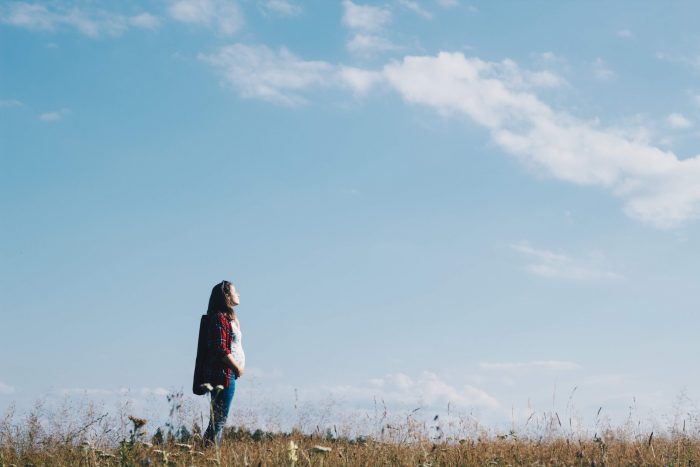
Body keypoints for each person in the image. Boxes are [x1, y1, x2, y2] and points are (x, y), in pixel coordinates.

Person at [201, 280, 245, 446]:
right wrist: (237, 368)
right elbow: (219, 348)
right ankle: (208, 454)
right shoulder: (219, 318)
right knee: (218, 421)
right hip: (223, 375)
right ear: (226, 295)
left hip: (228, 374)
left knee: (219, 421)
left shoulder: (227, 318)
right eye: (235, 291)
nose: (238, 294)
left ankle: (209, 454)